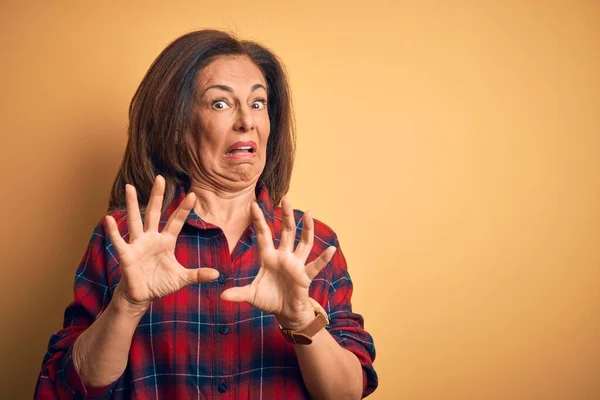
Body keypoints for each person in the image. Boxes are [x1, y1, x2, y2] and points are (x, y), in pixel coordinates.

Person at [34, 29, 377, 399]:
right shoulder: (123, 237)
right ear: (178, 127)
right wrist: (127, 306)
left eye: (258, 103)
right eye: (220, 104)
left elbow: (347, 393)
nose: (247, 120)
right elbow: (68, 388)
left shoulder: (313, 245)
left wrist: (300, 320)